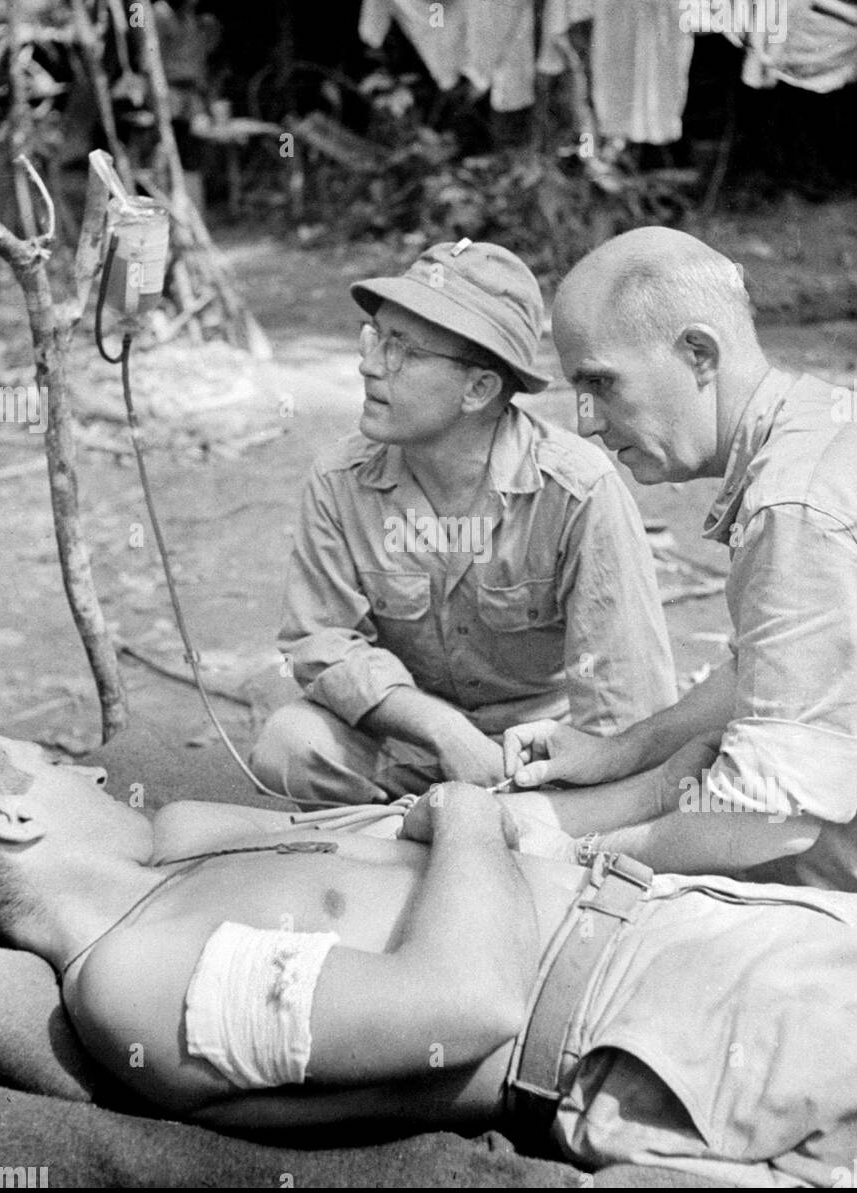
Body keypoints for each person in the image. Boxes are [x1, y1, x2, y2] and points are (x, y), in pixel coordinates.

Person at [0, 710, 857, 1188]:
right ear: (11, 817)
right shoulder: (146, 985)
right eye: (51, 764)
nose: (90, 763)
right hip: (664, 1021)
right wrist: (468, 814)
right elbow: (459, 1003)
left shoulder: (173, 864)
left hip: (695, 938)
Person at [500, 226, 857, 941]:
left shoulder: (800, 504)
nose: (590, 423)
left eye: (601, 384)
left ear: (697, 353)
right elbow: (774, 670)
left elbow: (771, 814)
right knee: (691, 769)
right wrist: (627, 750)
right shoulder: (812, 429)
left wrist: (578, 856)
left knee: (622, 911)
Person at [250, 239, 676, 805]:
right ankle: (435, 830)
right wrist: (442, 730)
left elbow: (623, 698)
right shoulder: (341, 479)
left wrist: (558, 781)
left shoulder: (575, 493)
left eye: (403, 350)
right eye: (375, 336)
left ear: (478, 389)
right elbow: (320, 642)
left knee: (584, 815)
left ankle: (438, 837)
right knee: (290, 747)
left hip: (539, 757)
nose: (370, 364)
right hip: (409, 740)